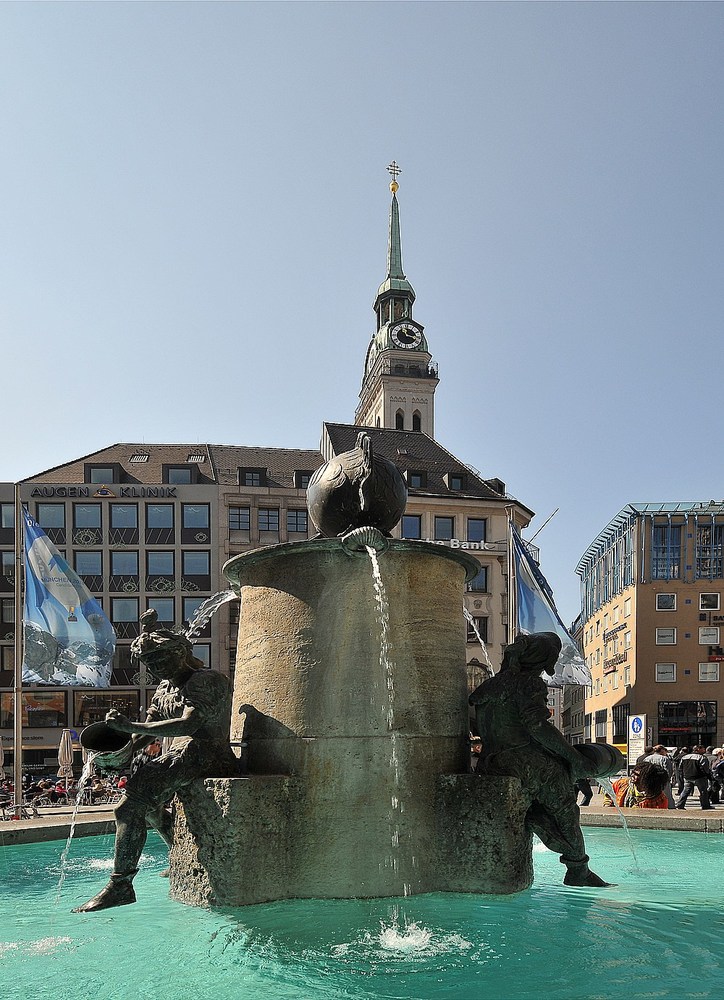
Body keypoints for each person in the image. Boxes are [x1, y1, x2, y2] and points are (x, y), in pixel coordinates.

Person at [74, 609, 239, 912]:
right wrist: (121, 752)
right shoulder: (163, 689)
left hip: (209, 753)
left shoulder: (206, 680)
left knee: (129, 805)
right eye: (150, 663)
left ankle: (121, 884)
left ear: (182, 652)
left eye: (162, 659)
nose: (157, 667)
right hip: (184, 754)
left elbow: (188, 725)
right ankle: (178, 851)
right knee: (147, 806)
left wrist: (132, 727)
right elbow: (146, 734)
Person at [470, 631, 609, 888]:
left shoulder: (489, 685)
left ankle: (535, 815)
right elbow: (537, 726)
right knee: (566, 806)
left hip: (491, 763)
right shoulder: (529, 683)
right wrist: (574, 757)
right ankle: (578, 869)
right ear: (545, 659)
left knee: (551, 795)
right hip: (523, 761)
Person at [602, 762, 669, 809]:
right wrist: (607, 806)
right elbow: (609, 794)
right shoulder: (621, 784)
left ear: (647, 779)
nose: (632, 775)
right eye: (633, 772)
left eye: (637, 775)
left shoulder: (660, 800)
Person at [676, 745, 714, 810]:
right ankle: (705, 805)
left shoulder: (685, 757)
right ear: (698, 749)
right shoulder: (702, 757)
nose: (704, 750)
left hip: (687, 777)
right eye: (703, 749)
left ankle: (680, 804)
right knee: (703, 792)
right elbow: (705, 769)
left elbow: (680, 767)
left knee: (685, 791)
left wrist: (683, 775)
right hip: (699, 777)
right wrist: (708, 776)